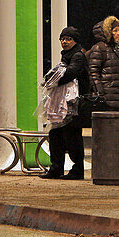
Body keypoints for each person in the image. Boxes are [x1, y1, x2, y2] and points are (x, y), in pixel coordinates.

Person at [41, 26, 90, 180]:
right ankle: (56, 168)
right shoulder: (67, 57)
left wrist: (53, 79)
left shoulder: (77, 56)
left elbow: (69, 74)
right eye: (63, 38)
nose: (64, 41)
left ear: (75, 41)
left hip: (73, 105)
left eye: (68, 39)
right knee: (56, 135)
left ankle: (77, 170)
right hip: (63, 105)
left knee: (72, 136)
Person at [87, 16, 119, 110]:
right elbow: (93, 73)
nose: (118, 33)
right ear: (107, 32)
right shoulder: (99, 48)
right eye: (115, 31)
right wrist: (101, 94)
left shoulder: (118, 49)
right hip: (106, 99)